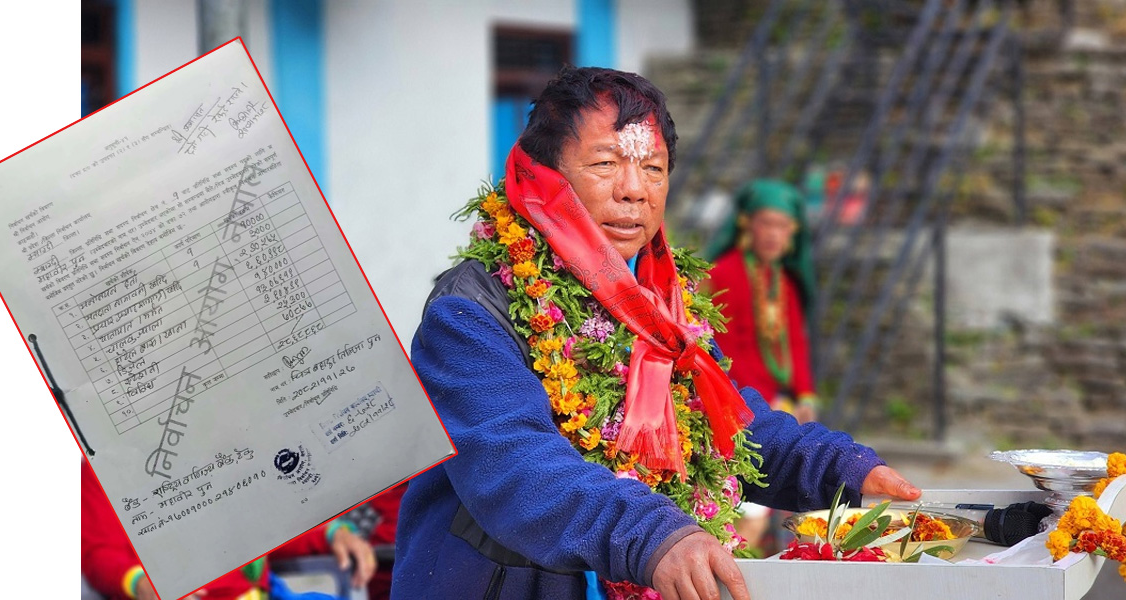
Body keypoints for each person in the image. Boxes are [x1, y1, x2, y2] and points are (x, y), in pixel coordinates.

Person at [394, 66, 921, 600]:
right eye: (605, 164)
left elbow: (730, 426)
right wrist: (654, 536)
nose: (634, 192)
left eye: (653, 168)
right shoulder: (471, 310)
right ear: (546, 177)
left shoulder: (663, 305)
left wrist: (845, 471)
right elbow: (515, 466)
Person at [81, 459, 375, 600]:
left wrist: (333, 533)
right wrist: (140, 583)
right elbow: (99, 553)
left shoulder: (222, 450)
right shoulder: (103, 467)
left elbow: (269, 524)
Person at [701, 179, 818, 425]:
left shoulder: (784, 281)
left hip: (782, 400)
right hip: (742, 398)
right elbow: (725, 346)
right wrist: (767, 402)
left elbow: (795, 342)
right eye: (767, 223)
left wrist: (806, 396)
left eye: (783, 226)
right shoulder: (724, 273)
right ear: (747, 224)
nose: (774, 234)